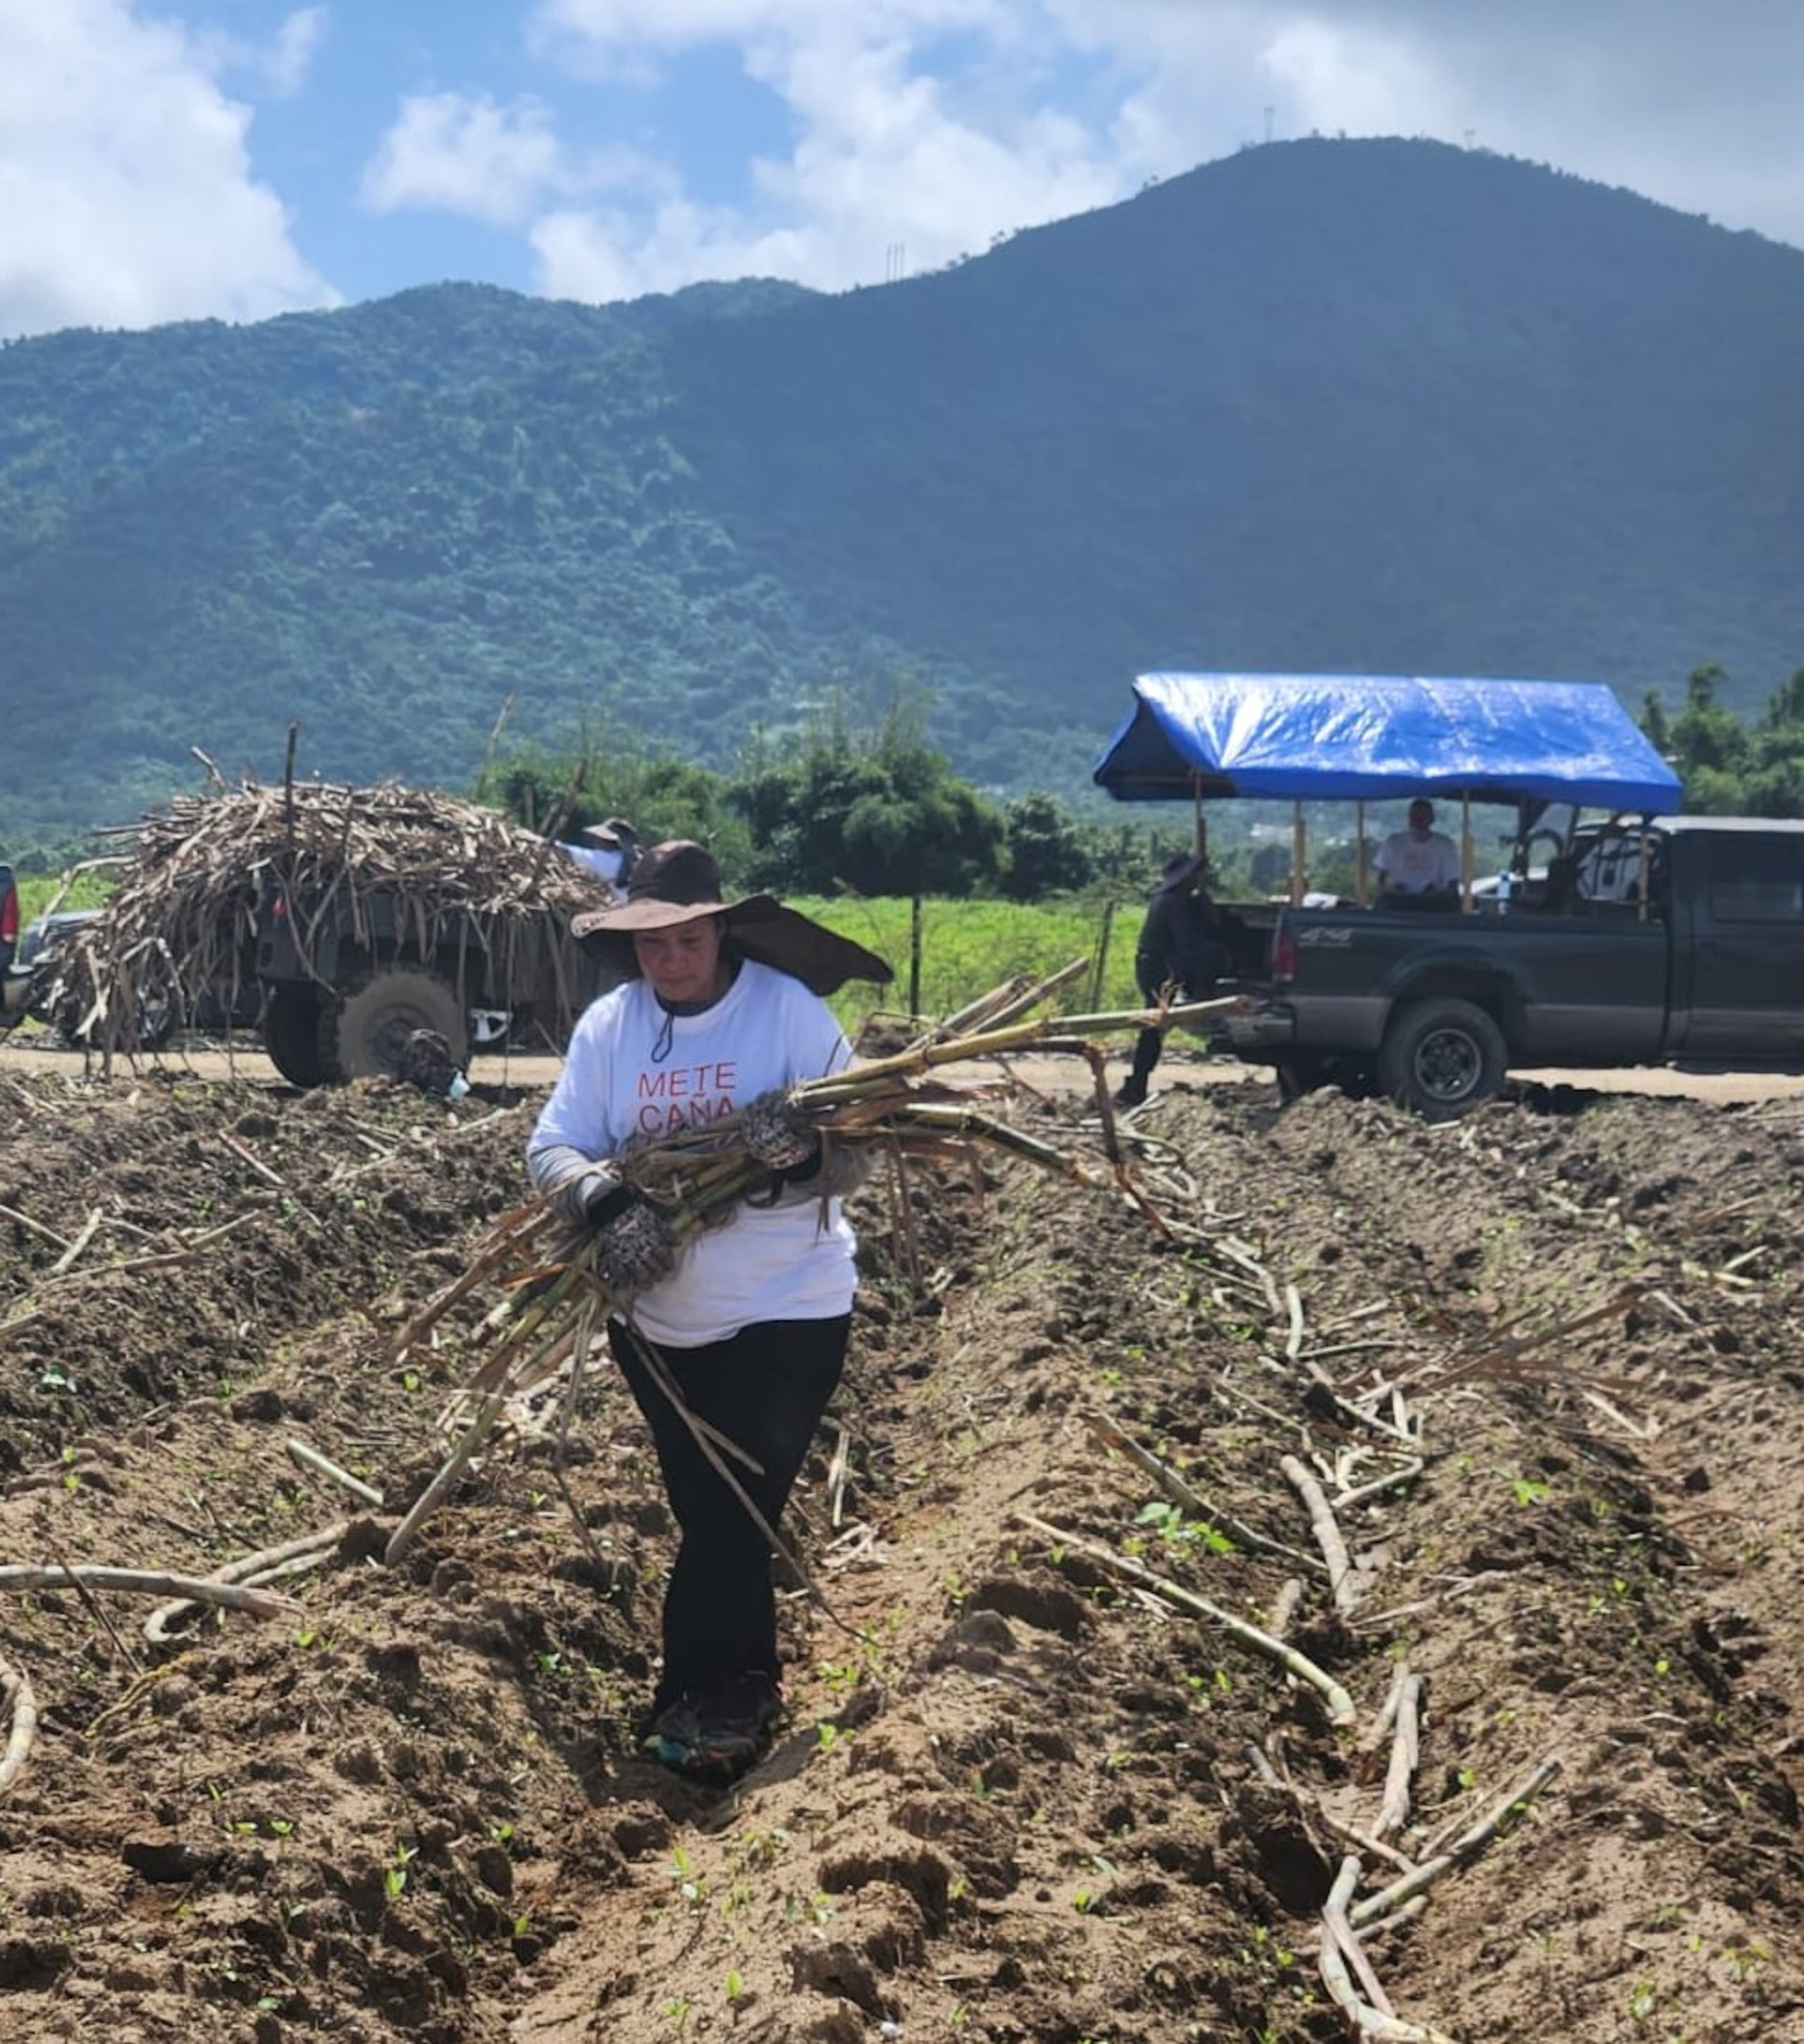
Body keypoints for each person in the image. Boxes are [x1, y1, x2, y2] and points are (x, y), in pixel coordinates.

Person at [525, 841, 890, 1782]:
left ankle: (697, 1693)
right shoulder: (611, 1028)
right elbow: (556, 1144)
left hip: (789, 1306)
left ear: (720, 928)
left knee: (735, 1505)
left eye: (686, 938)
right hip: (655, 1322)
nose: (669, 959)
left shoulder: (785, 1012)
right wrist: (605, 1205)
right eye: (650, 943)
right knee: (711, 1510)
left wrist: (797, 1158)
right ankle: (749, 1679)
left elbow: (864, 1146)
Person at [1115, 849, 1227, 1108]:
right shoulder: (1174, 902)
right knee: (1154, 1024)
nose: (1198, 879)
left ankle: (1137, 1083)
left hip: (1155, 965)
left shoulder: (1170, 899)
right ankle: (1203, 1004)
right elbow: (1185, 941)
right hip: (1159, 967)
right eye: (1195, 874)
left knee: (1154, 1025)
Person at [1375, 799, 1461, 898]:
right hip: (1397, 901)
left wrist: (1436, 892)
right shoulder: (1393, 842)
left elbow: (1453, 884)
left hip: (1434, 903)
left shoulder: (1445, 845)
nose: (1418, 820)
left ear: (1432, 819)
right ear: (1408, 818)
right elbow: (1380, 882)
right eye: (1415, 816)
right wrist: (1391, 889)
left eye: (1423, 816)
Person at [557, 817, 640, 897]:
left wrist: (551, 843)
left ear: (606, 840)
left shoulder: (605, 859)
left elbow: (567, 851)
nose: (595, 840)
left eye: (598, 838)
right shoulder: (629, 859)